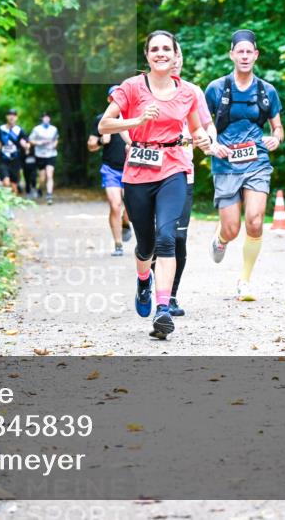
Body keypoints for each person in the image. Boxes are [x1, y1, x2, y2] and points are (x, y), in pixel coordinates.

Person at [98, 30, 212, 340]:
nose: (161, 53)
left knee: (166, 237)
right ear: (147, 56)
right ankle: (142, 280)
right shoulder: (131, 87)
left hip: (174, 168)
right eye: (155, 49)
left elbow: (196, 130)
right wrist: (136, 121)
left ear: (175, 56)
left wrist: (203, 139)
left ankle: (163, 309)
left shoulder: (187, 92)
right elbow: (104, 125)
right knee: (146, 246)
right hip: (138, 173)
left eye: (166, 49)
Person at [204, 29, 284, 299]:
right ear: (232, 55)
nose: (245, 56)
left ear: (256, 55)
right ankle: (221, 237)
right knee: (232, 229)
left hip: (257, 162)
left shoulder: (267, 91)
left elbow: (278, 127)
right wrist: (212, 143)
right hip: (225, 164)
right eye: (240, 51)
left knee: (255, 220)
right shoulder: (216, 89)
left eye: (249, 52)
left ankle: (244, 282)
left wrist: (275, 138)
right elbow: (201, 124)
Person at [160, 44, 213, 316]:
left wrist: (209, 140)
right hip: (150, 175)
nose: (176, 59)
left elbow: (207, 125)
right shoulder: (144, 90)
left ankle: (169, 297)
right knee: (153, 240)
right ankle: (146, 280)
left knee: (177, 238)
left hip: (183, 174)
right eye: (172, 54)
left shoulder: (193, 91)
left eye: (179, 54)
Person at [87, 86, 133, 256]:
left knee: (132, 207)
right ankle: (118, 244)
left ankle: (126, 222)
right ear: (109, 100)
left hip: (132, 169)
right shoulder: (101, 120)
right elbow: (90, 145)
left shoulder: (133, 118)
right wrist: (101, 141)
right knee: (115, 205)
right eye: (114, 97)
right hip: (111, 169)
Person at [0, 109, 29, 197]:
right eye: (9, 115)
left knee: (14, 185)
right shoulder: (0, 129)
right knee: (6, 182)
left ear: (16, 118)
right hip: (3, 159)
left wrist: (26, 145)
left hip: (15, 159)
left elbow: (25, 141)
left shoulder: (20, 130)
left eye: (14, 115)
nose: (11, 117)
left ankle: (12, 201)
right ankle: (7, 201)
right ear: (6, 117)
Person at [29, 112, 59, 205]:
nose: (46, 119)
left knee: (50, 175)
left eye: (48, 117)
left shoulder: (54, 129)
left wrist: (54, 145)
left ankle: (49, 195)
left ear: (50, 119)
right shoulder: (37, 129)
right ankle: (39, 188)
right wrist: (38, 143)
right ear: (42, 119)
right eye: (44, 118)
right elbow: (30, 140)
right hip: (40, 155)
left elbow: (56, 139)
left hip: (51, 154)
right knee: (42, 178)